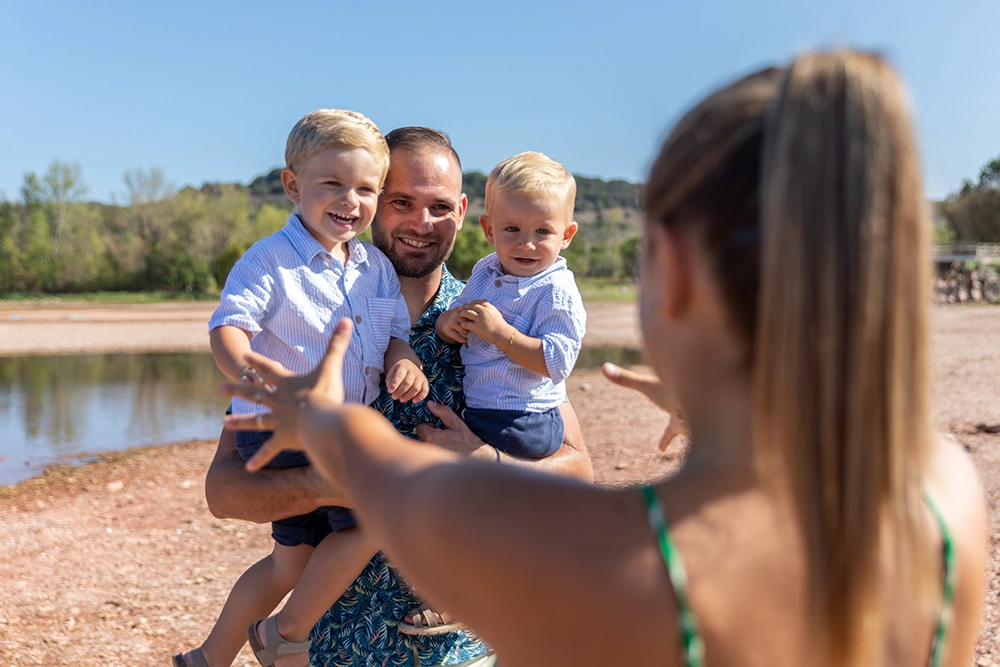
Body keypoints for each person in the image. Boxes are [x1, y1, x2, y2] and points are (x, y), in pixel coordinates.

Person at [225, 51, 988, 667]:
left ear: (677, 273)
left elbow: (397, 478)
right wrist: (743, 398)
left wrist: (314, 421)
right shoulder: (939, 487)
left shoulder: (624, 557)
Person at [203, 126, 593, 667]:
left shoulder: (499, 313)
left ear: (463, 213)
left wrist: (484, 462)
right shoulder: (303, 314)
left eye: (438, 206)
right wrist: (321, 484)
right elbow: (224, 492)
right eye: (401, 202)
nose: (421, 222)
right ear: (369, 201)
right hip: (328, 650)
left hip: (456, 652)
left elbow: (578, 471)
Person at [178, 109, 430, 667]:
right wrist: (255, 376)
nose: (350, 200)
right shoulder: (269, 260)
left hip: (331, 431)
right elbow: (228, 328)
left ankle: (207, 656)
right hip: (285, 422)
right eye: (333, 184)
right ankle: (285, 635)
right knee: (375, 514)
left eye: (366, 189)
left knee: (289, 561)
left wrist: (404, 361)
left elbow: (393, 335)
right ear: (294, 185)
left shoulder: (374, 268)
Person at [436, 151, 585, 459]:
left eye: (542, 231)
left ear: (566, 235)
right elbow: (459, 322)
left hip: (524, 418)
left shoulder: (555, 289)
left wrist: (502, 334)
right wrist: (448, 323)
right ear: (489, 230)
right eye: (512, 229)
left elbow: (556, 363)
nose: (526, 244)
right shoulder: (484, 271)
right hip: (480, 409)